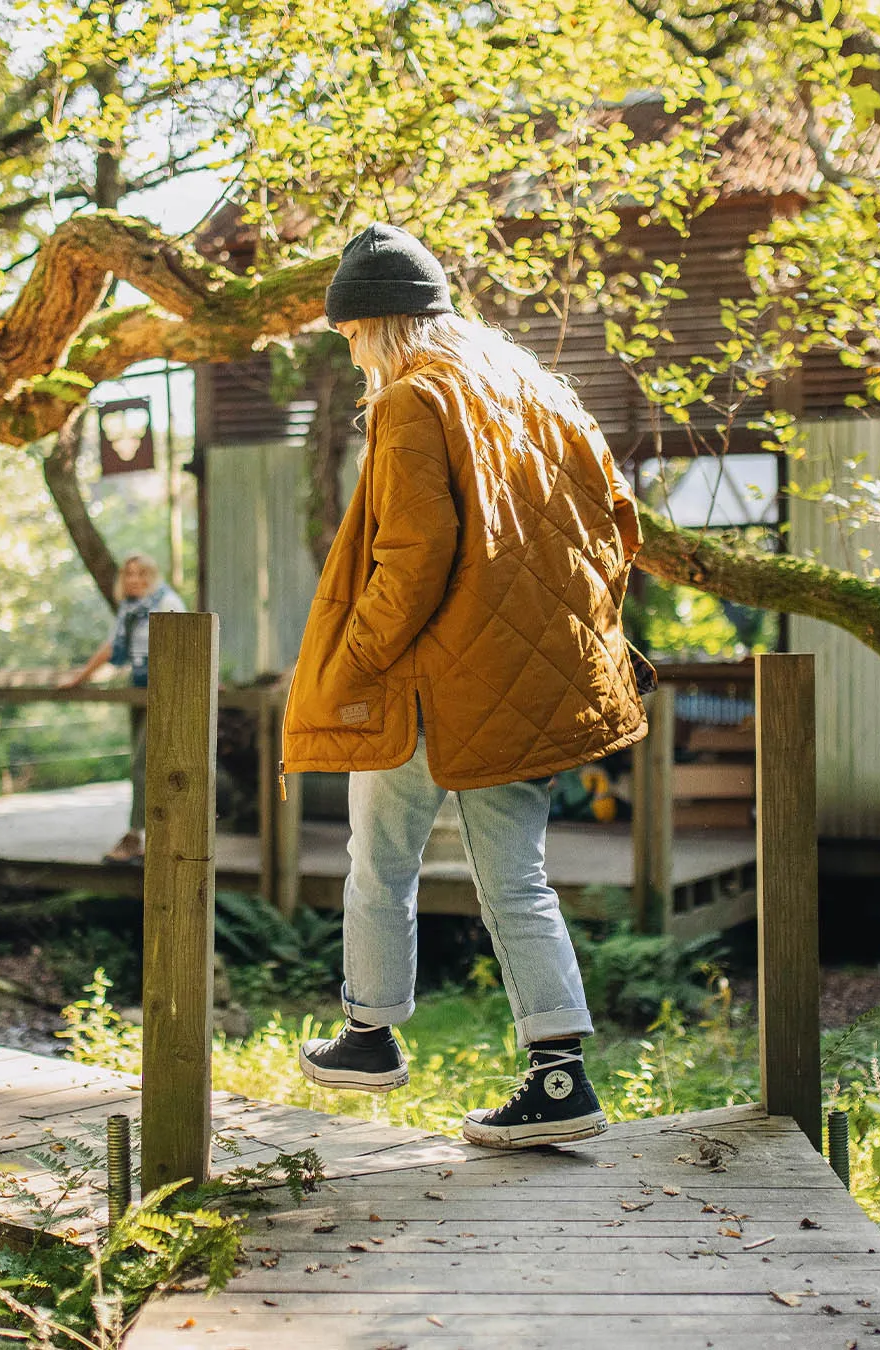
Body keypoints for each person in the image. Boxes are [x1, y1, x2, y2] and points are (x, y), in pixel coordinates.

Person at [282, 224, 649, 1150]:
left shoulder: (413, 401)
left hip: (432, 690)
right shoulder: (533, 394)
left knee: (380, 857)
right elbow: (616, 522)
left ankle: (370, 1035)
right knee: (516, 879)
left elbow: (414, 554)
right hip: (530, 682)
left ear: (379, 326)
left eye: (354, 336)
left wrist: (358, 653)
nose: (355, 354)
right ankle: (558, 1077)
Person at [62, 553, 185, 864]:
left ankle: (138, 835)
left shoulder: (165, 602)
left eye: (141, 574)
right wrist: (80, 677)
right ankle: (148, 835)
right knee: (141, 763)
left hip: (165, 692)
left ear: (152, 576)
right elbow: (111, 647)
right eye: (129, 574)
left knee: (146, 764)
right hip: (138, 689)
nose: (134, 580)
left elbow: (187, 646)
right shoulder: (129, 610)